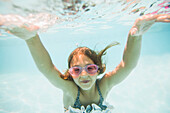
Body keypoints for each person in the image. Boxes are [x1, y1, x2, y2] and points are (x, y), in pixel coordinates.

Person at [0, 14, 169, 112]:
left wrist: (136, 34)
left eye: (90, 68)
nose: (84, 75)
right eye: (76, 70)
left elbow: (127, 65)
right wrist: (32, 38)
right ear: (70, 73)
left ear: (98, 69)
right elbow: (47, 69)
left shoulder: (104, 85)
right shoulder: (71, 90)